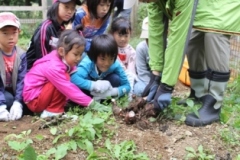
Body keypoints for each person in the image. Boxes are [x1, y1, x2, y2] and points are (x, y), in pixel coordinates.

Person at [127, 0, 240, 126]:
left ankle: (214, 103)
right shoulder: (153, 2)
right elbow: (155, 29)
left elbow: (177, 39)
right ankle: (198, 94)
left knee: (215, 33)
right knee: (193, 37)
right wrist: (155, 75)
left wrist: (166, 87)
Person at [23, 27, 110, 118]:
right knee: (64, 79)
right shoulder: (54, 67)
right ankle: (52, 112)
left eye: (80, 54)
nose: (78, 58)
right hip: (34, 101)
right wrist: (91, 103)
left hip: (41, 96)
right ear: (61, 51)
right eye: (75, 54)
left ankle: (55, 109)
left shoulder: (63, 61)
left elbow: (75, 81)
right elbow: (68, 88)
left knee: (66, 78)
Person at [71, 34, 130, 101]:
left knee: (115, 78)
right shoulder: (88, 62)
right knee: (81, 81)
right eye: (103, 59)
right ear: (94, 56)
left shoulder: (115, 64)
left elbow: (127, 86)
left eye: (111, 58)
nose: (107, 63)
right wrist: (93, 85)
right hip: (88, 89)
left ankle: (104, 99)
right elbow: (73, 78)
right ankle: (87, 100)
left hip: (106, 90)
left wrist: (112, 92)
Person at [26, 0, 82, 70]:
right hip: (35, 72)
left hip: (53, 68)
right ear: (56, 6)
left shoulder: (62, 29)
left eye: (72, 8)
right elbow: (43, 59)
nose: (70, 11)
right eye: (66, 7)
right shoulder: (45, 28)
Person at [0, 12, 27, 121]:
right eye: (5, 33)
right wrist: (1, 105)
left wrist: (18, 102)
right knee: (8, 99)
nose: (10, 37)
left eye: (14, 33)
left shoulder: (21, 55)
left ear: (19, 32)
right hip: (2, 93)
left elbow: (22, 80)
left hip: (14, 91)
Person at [109, 16, 136, 101]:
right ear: (113, 33)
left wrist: (128, 75)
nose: (123, 39)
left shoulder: (131, 51)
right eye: (120, 35)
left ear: (130, 34)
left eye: (126, 35)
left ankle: (129, 96)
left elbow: (131, 69)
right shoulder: (110, 48)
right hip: (115, 74)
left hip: (127, 76)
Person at [133, 17, 151, 97]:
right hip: (146, 81)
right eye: (147, 39)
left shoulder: (168, 47)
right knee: (138, 90)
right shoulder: (141, 48)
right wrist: (152, 87)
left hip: (162, 81)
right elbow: (142, 73)